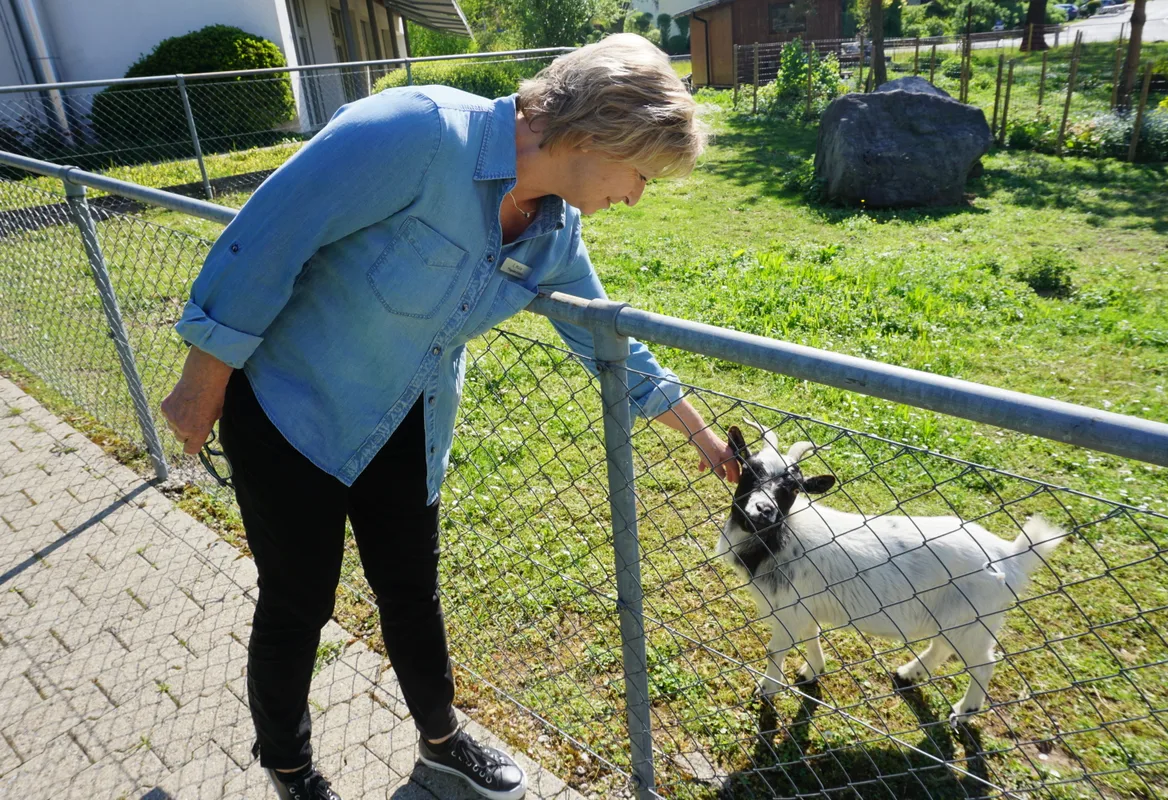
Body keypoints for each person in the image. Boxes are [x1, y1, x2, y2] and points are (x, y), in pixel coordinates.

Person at [160, 34, 739, 800]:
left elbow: (609, 345)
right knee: (299, 601)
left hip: (405, 420)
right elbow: (268, 239)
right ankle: (290, 768)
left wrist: (701, 435)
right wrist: (201, 385)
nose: (635, 195)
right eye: (640, 174)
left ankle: (441, 741)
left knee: (411, 589)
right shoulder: (419, 132)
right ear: (598, 138)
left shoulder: (553, 230)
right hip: (290, 409)